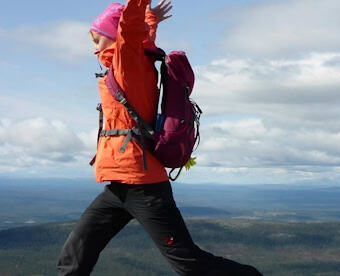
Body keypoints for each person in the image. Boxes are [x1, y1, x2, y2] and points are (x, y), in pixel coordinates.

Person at [56, 1, 262, 275]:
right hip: (119, 186)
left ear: (115, 34)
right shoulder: (131, 61)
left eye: (98, 37)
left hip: (145, 187)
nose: (94, 46)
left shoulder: (127, 62)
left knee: (189, 264)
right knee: (75, 255)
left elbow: (129, 30)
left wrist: (141, 11)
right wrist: (150, 20)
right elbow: (139, 37)